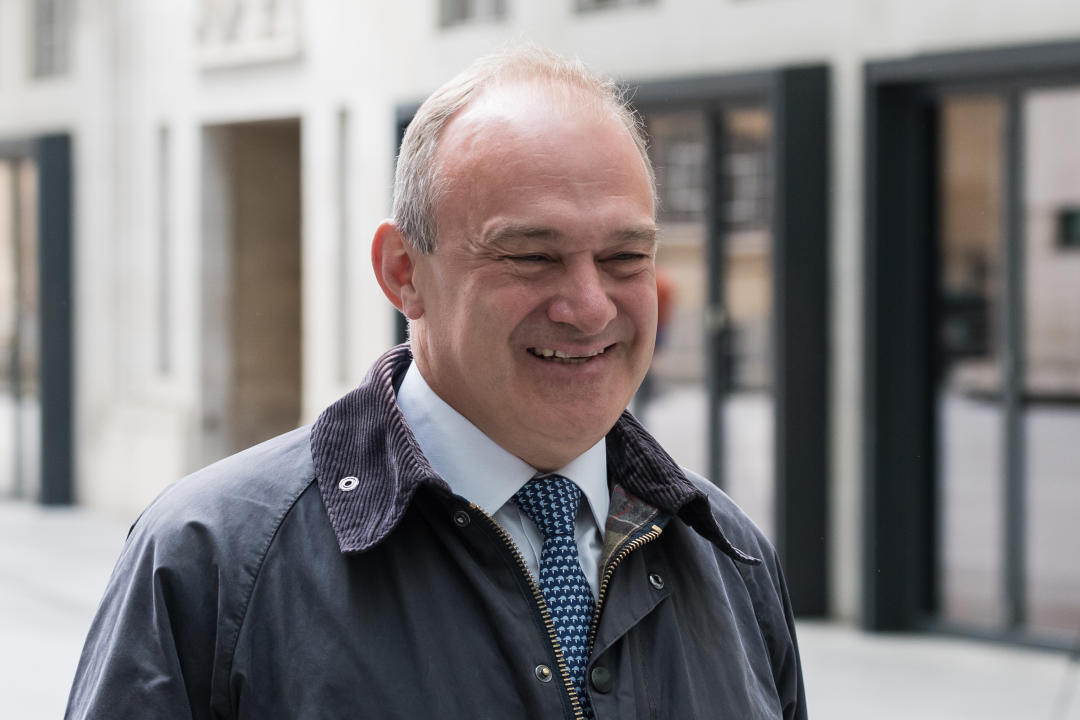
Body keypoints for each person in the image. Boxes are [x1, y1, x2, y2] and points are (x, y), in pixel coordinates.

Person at [66, 46, 807, 720]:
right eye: (530, 256)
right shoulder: (211, 560)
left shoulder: (728, 553)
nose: (588, 306)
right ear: (402, 273)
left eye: (624, 257)